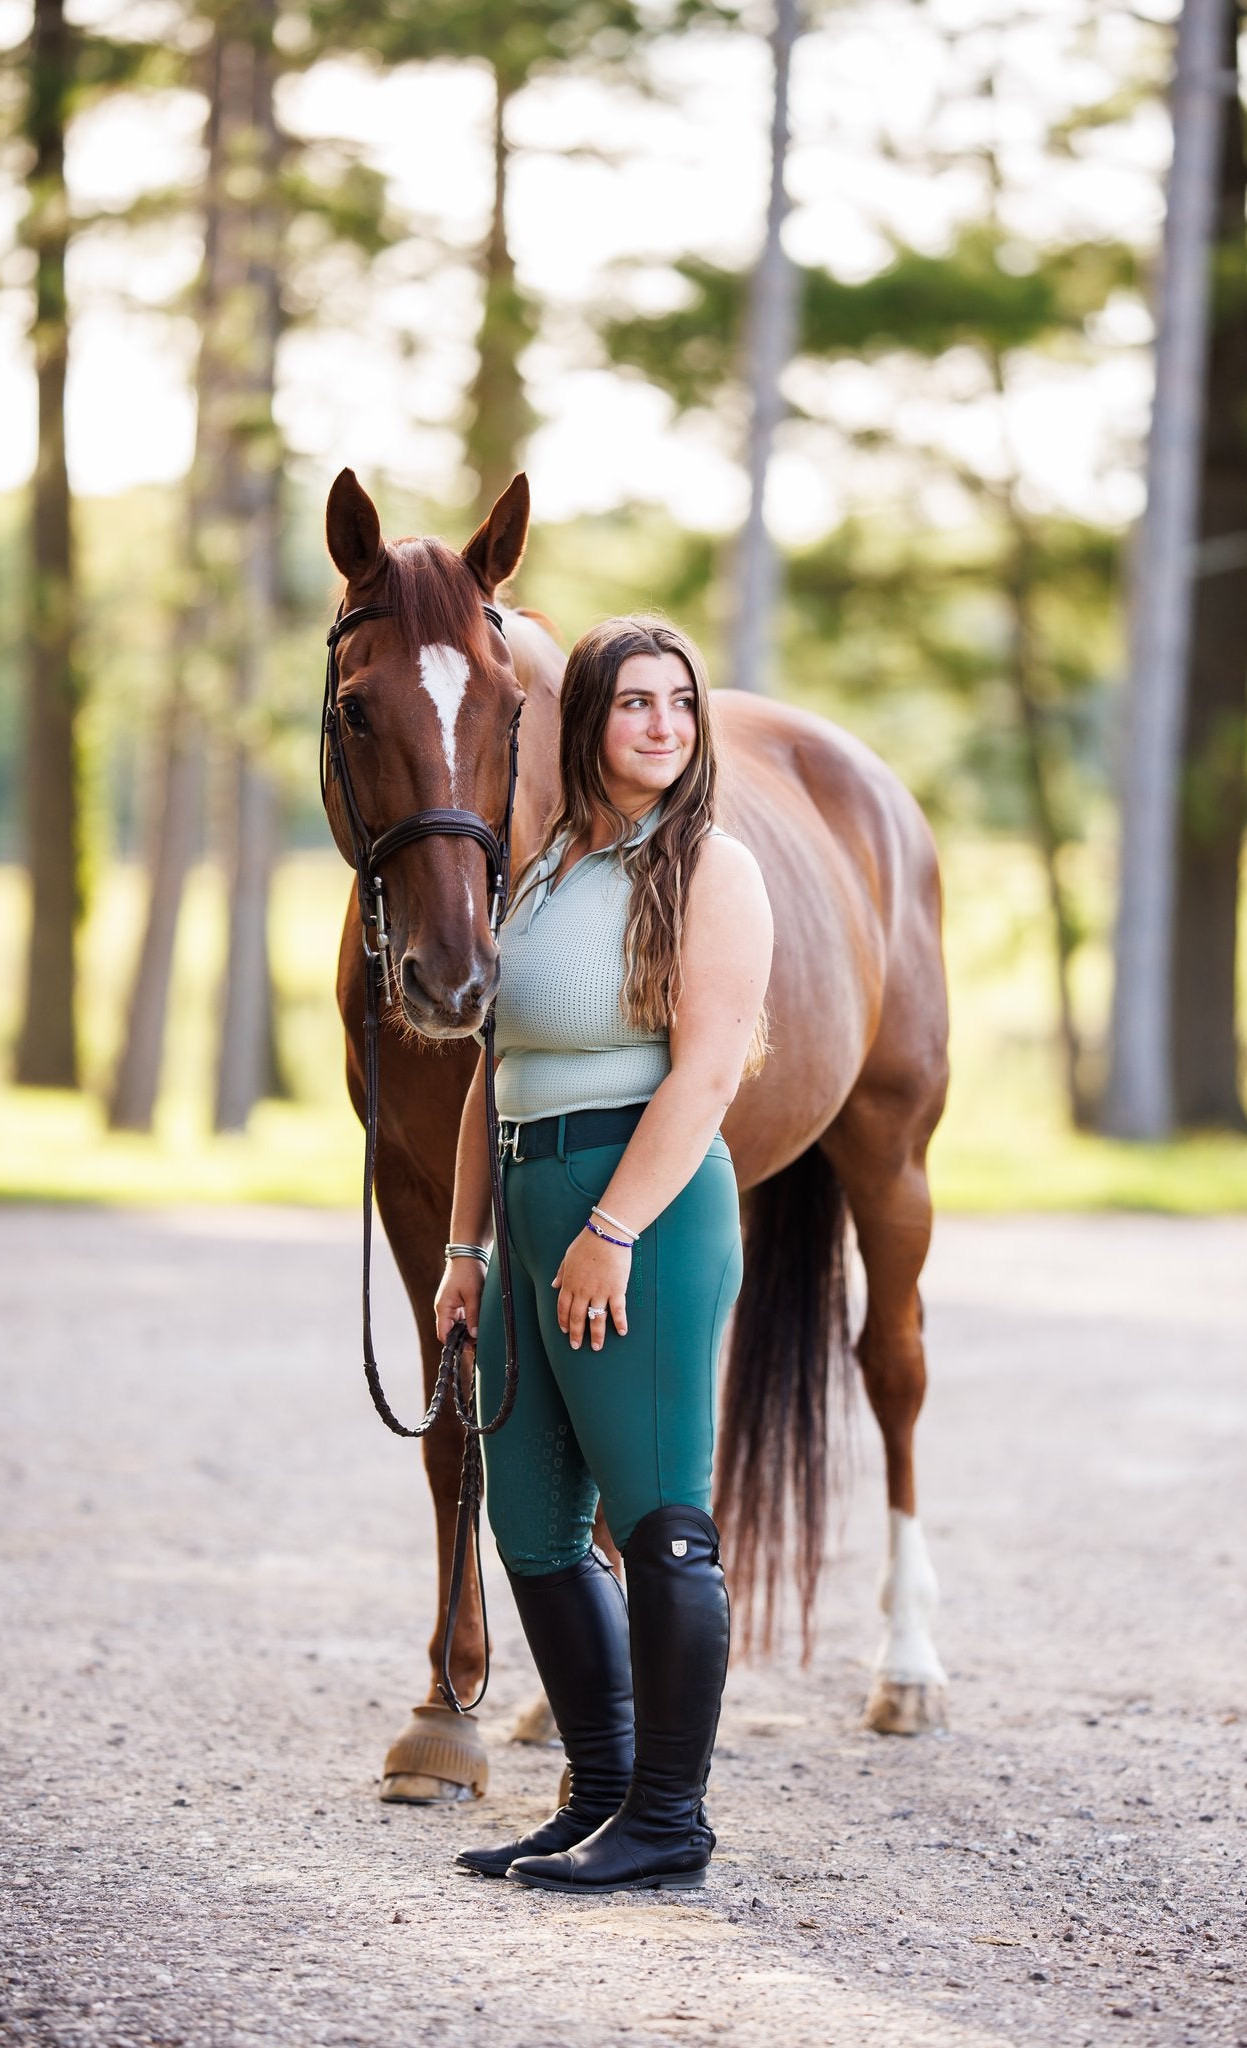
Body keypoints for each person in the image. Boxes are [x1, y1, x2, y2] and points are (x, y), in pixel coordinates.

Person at [435, 615, 773, 1895]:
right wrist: (465, 1247)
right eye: (635, 703)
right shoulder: (541, 866)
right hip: (524, 1201)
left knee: (659, 1519)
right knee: (530, 1522)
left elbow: (704, 1075)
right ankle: (600, 1792)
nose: (663, 726)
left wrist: (612, 1229)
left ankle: (671, 1821)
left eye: (679, 704)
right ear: (587, 720)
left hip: (643, 1209)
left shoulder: (709, 868)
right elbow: (492, 1070)